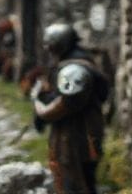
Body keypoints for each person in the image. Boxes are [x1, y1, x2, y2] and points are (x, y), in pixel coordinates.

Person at [31, 23, 109, 194]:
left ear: (60, 44)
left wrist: (38, 105)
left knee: (76, 184)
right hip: (72, 135)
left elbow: (65, 105)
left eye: (51, 45)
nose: (48, 49)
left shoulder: (74, 71)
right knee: (76, 182)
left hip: (78, 137)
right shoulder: (73, 63)